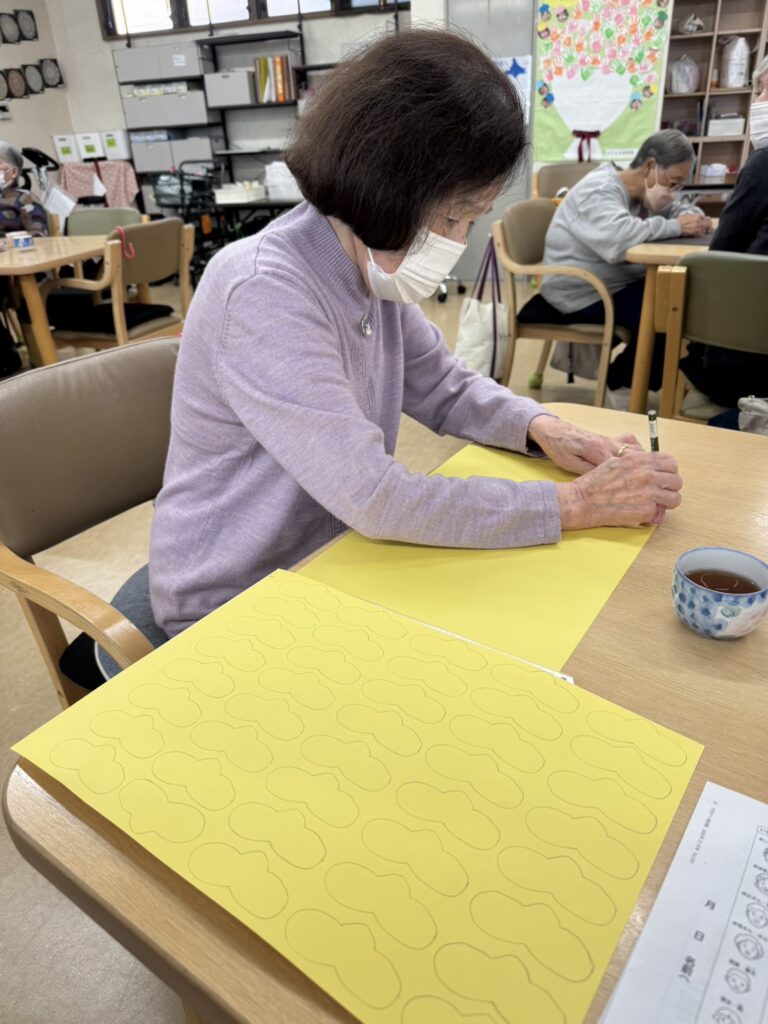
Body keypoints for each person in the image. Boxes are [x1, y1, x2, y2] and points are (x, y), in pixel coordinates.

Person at [149, 29, 682, 639]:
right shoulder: (264, 292)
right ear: (384, 189)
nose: (457, 241)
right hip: (232, 597)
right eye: (452, 217)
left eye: (470, 219)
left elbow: (444, 386)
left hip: (334, 555)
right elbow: (374, 495)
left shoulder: (366, 268)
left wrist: (545, 429)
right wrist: (576, 504)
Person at [519, 130, 710, 405]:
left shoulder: (643, 193)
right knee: (669, 313)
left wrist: (692, 218)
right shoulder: (599, 191)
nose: (672, 194)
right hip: (579, 290)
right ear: (650, 167)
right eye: (672, 184)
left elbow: (677, 210)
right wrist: (677, 227)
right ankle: (621, 382)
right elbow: (620, 241)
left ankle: (638, 379)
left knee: (679, 300)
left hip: (614, 282)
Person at [679, 55, 768, 410]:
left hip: (745, 355)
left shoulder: (762, 166)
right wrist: (679, 219)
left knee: (667, 304)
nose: (757, 99)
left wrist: (681, 218)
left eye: (762, 90)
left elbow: (721, 251)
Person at [0, 141, 47, 376]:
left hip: (21, 270)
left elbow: (39, 235)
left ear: (13, 172)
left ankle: (6, 356)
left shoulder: (25, 199)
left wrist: (8, 244)